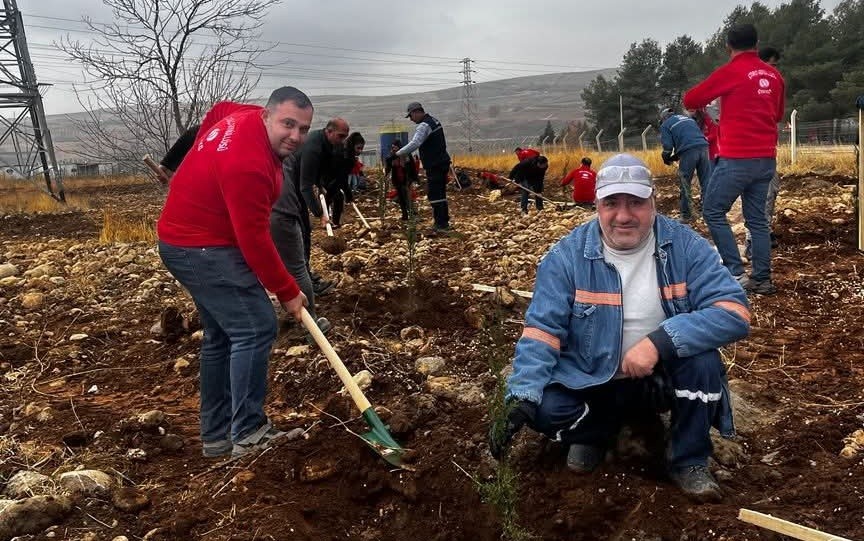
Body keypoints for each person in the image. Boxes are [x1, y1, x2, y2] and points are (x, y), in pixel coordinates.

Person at [489, 154, 751, 503]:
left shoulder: (686, 247)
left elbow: (733, 311)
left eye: (636, 203)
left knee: (702, 363)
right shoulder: (565, 257)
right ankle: (602, 433)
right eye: (612, 203)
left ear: (653, 202)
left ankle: (688, 460)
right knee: (543, 407)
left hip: (656, 379)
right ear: (596, 204)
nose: (624, 215)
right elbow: (542, 331)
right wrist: (521, 394)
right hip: (589, 380)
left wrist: (659, 342)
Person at [157, 87, 313, 459]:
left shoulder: (240, 114)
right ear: (267, 116)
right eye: (287, 124)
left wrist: (198, 165)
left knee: (223, 336)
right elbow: (254, 239)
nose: (295, 135)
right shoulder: (248, 166)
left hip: (189, 240)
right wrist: (287, 290)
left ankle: (216, 438)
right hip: (202, 248)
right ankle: (248, 432)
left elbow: (216, 111)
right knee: (256, 326)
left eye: (304, 128)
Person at [684, 24, 785, 295]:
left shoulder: (732, 71)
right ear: (757, 42)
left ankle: (735, 272)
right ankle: (762, 279)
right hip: (766, 159)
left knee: (713, 210)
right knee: (757, 221)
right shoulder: (774, 76)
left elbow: (691, 98)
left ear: (728, 45)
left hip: (738, 158)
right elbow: (776, 114)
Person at [296, 118, 349, 292]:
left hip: (298, 185)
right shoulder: (314, 146)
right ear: (329, 131)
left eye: (345, 137)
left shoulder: (326, 144)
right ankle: (306, 285)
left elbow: (315, 173)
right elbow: (304, 185)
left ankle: (306, 275)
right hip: (288, 187)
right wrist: (320, 214)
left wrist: (319, 185)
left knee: (305, 231)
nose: (342, 141)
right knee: (302, 231)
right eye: (340, 136)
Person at [744, 46, 784, 258]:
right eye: (772, 65)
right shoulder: (745, 86)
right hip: (748, 154)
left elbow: (777, 115)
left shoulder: (772, 87)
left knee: (771, 192)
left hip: (767, 152)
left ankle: (763, 232)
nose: (774, 70)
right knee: (758, 197)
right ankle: (752, 240)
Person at [396, 102, 452, 232]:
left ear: (417, 112)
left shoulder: (424, 125)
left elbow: (416, 142)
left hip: (435, 164)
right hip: (441, 162)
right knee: (440, 193)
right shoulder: (434, 120)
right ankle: (443, 221)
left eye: (411, 116)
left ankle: (441, 224)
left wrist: (399, 153)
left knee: (435, 193)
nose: (411, 119)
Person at [659, 108, 713, 222]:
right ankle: (708, 213)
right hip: (704, 148)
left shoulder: (666, 125)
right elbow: (690, 140)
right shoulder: (688, 120)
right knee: (706, 182)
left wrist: (666, 158)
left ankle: (686, 215)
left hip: (689, 151)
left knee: (685, 183)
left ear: (663, 118)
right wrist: (676, 156)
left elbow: (668, 147)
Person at [325, 131, 364, 228]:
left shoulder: (346, 152)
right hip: (327, 175)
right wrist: (348, 193)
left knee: (335, 197)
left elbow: (342, 176)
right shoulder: (345, 155)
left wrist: (347, 193)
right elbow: (342, 177)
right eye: (358, 148)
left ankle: (333, 221)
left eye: (361, 148)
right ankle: (329, 221)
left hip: (332, 177)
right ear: (352, 145)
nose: (360, 151)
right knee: (335, 197)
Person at [385, 140, 419, 220]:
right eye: (392, 147)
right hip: (397, 180)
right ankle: (405, 215)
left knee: (407, 197)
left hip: (406, 179)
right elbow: (388, 165)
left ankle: (412, 214)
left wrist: (414, 178)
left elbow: (412, 167)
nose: (393, 148)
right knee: (401, 199)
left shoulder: (406, 155)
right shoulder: (392, 156)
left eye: (395, 147)